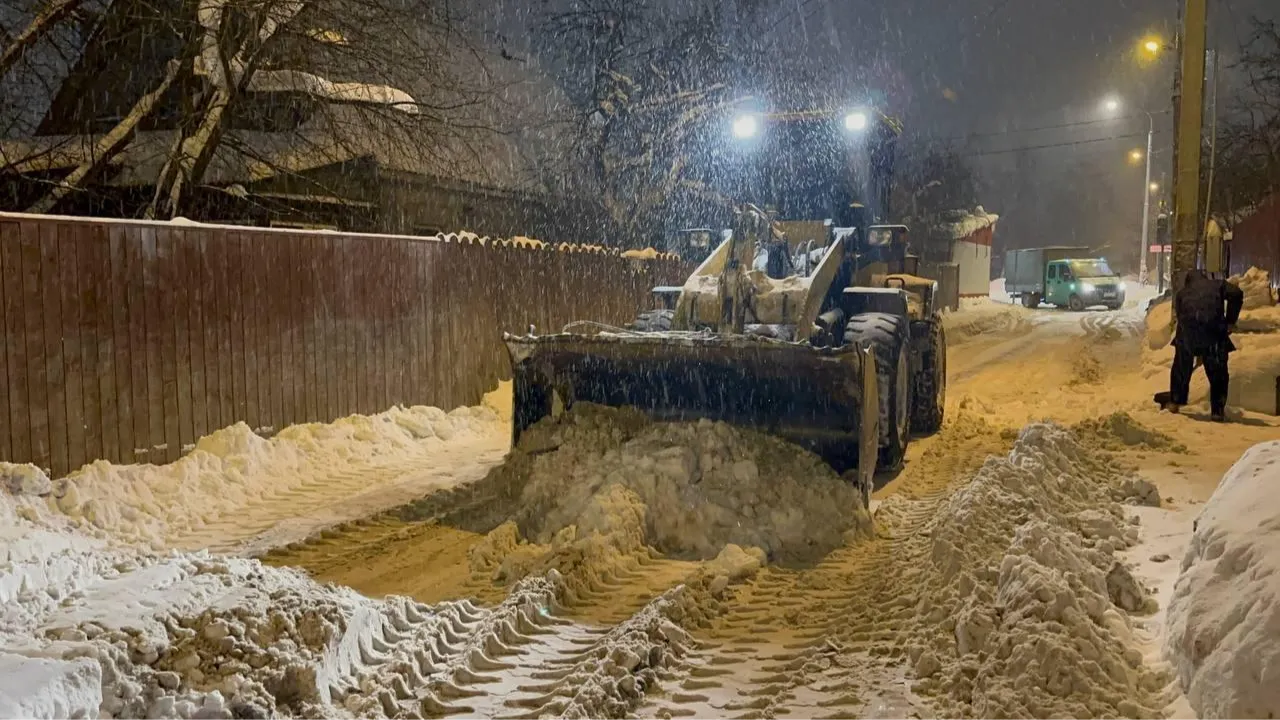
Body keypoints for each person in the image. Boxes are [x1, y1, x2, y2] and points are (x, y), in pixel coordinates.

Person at [1164, 269, 1244, 421]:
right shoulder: (1218, 285)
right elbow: (1236, 294)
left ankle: (1175, 401)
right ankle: (1217, 411)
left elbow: (1182, 318)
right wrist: (1230, 321)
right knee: (1218, 373)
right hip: (1214, 332)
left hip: (1188, 335)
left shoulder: (1182, 293)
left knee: (1181, 366)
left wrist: (1193, 346)